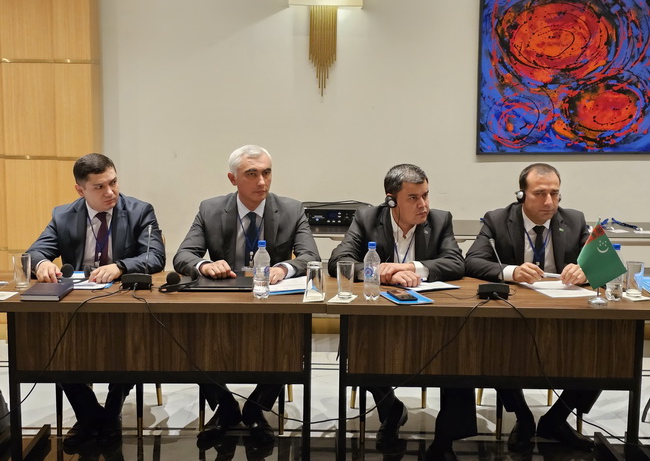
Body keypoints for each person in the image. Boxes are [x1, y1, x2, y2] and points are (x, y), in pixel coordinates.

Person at [173, 144, 320, 445]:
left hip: (272, 303)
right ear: (233, 179)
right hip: (224, 301)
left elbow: (310, 257)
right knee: (192, 336)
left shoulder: (292, 209)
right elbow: (183, 255)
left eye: (266, 173)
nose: (262, 182)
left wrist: (284, 268)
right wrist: (205, 265)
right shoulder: (210, 209)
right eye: (252, 174)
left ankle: (256, 408)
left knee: (291, 338)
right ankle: (225, 406)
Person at [328, 164, 474, 460]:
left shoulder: (440, 220)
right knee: (361, 344)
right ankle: (391, 410)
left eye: (426, 195)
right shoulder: (367, 218)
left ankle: (444, 442)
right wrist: (379, 272)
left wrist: (410, 268)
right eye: (414, 198)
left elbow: (456, 263)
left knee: (458, 349)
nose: (423, 205)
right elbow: (339, 261)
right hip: (380, 316)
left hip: (433, 318)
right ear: (391, 200)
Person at [26, 153, 166, 451]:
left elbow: (155, 257)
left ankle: (110, 412)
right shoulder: (64, 215)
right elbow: (35, 252)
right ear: (81, 190)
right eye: (99, 187)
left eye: (113, 182)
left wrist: (121, 266)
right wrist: (41, 264)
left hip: (125, 304)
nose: (110, 192)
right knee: (55, 344)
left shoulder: (140, 211)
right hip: (79, 306)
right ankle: (92, 416)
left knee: (131, 344)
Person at [465, 163, 597, 452]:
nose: (549, 202)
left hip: (564, 314)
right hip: (513, 313)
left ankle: (556, 419)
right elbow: (472, 261)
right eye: (540, 193)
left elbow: (604, 263)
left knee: (603, 349)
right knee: (495, 346)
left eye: (555, 193)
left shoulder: (574, 220)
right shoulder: (498, 220)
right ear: (521, 195)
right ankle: (523, 417)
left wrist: (586, 271)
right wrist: (511, 271)